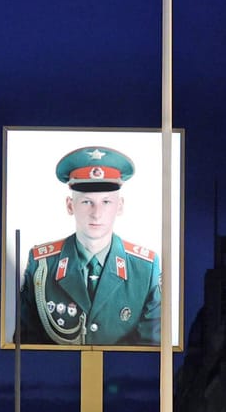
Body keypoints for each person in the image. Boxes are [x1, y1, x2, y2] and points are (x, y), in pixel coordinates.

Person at [15, 145, 161, 346]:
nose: (96, 213)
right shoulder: (42, 265)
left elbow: (153, 351)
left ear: (120, 206)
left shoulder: (145, 268)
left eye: (106, 202)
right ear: (69, 205)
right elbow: (26, 345)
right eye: (86, 202)